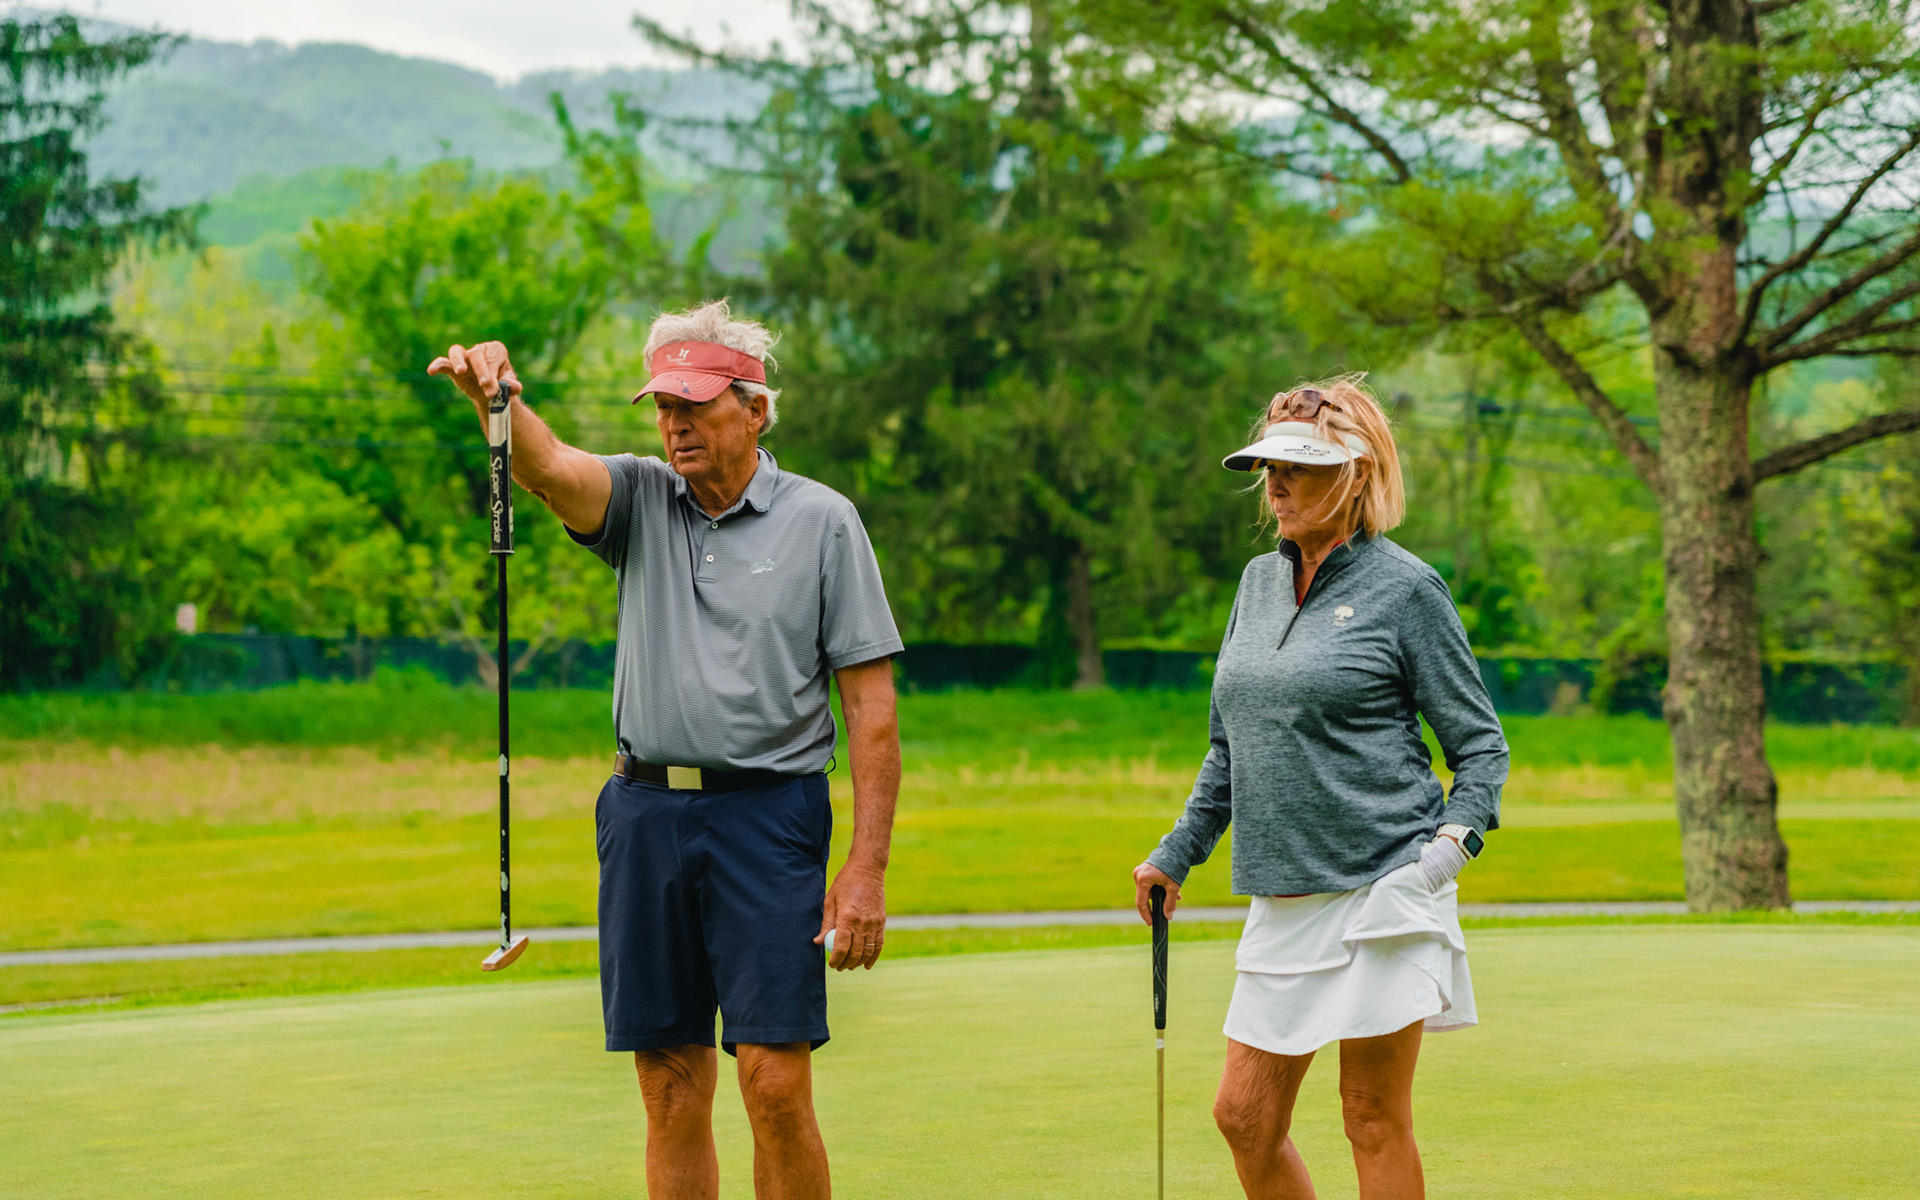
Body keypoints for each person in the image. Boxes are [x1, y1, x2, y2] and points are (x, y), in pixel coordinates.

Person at [428, 299, 904, 1200]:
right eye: (664, 406)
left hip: (770, 818)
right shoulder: (642, 497)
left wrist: (866, 868)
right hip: (644, 816)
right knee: (670, 1086)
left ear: (754, 410)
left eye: (695, 405)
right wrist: (498, 403)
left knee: (774, 1084)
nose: (675, 424)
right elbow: (550, 469)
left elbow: (871, 710)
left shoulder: (823, 521)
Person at [1132, 375, 1508, 1200]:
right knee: (1243, 1116)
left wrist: (1441, 859)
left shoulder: (1408, 589)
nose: (1276, 483)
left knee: (1371, 1115)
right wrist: (1175, 855)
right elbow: (1229, 746)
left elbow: (1480, 749)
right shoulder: (1255, 584)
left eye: (1299, 467)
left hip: (1385, 886)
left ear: (1356, 474)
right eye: (1270, 466)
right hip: (1283, 894)